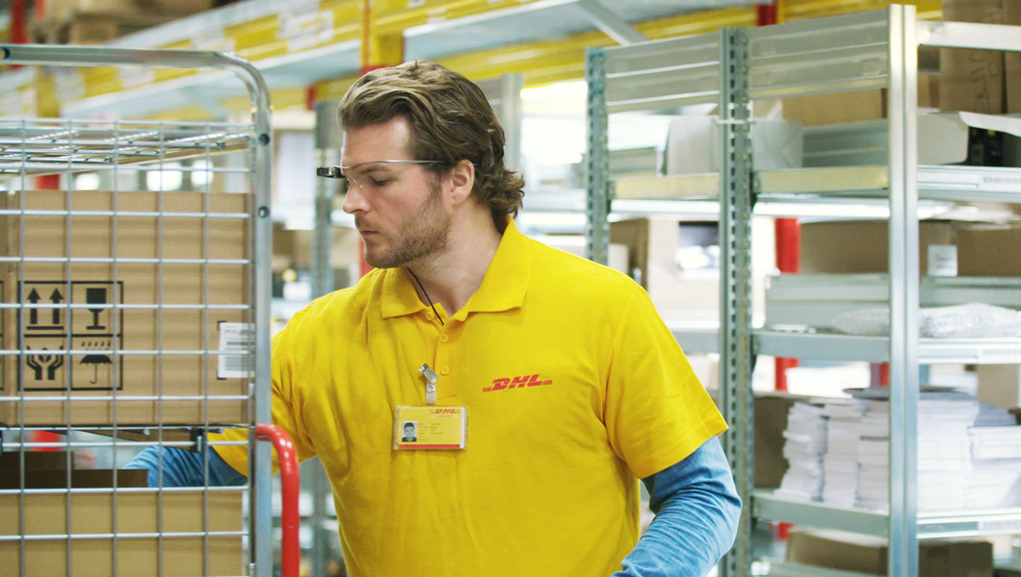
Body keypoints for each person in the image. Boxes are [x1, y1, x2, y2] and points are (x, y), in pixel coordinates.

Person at [127, 60, 741, 577]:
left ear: (459, 179)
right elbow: (192, 464)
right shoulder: (321, 335)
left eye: (378, 180)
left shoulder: (602, 310)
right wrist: (88, 494)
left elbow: (702, 494)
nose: (352, 203)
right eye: (347, 179)